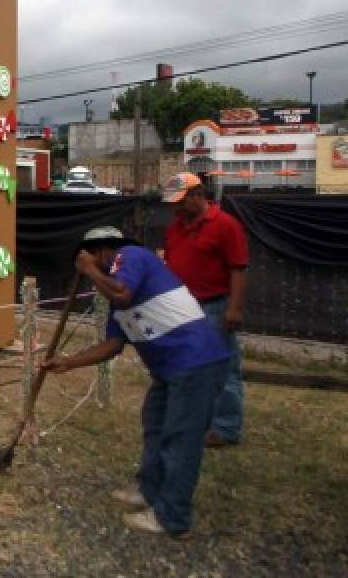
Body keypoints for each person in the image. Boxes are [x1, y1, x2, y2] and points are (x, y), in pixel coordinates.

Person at [42, 227, 229, 538]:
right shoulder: (117, 301)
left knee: (180, 439)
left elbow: (121, 291)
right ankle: (149, 489)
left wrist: (89, 269)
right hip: (170, 368)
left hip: (196, 361)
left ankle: (173, 517)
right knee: (154, 424)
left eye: (89, 259)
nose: (87, 270)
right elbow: (112, 346)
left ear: (103, 251)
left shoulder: (132, 257)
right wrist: (67, 362)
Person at [160, 172, 249, 448]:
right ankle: (196, 419)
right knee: (186, 367)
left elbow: (238, 268)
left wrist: (233, 309)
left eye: (181, 202)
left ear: (198, 195)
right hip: (182, 309)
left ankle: (225, 428)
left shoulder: (225, 225)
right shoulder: (175, 228)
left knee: (223, 369)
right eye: (173, 203)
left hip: (213, 306)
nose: (176, 208)